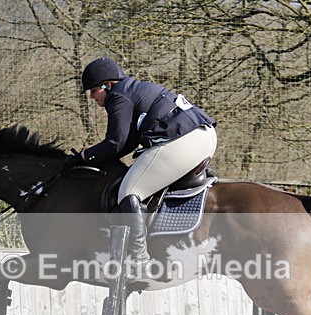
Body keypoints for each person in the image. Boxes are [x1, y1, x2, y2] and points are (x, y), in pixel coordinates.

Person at [72, 57, 217, 264]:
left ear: (107, 85)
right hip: (205, 135)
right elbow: (127, 143)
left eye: (93, 90)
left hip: (184, 140)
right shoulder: (133, 90)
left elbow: (115, 143)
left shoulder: (118, 96)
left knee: (129, 192)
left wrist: (84, 156)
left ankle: (140, 259)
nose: (92, 97)